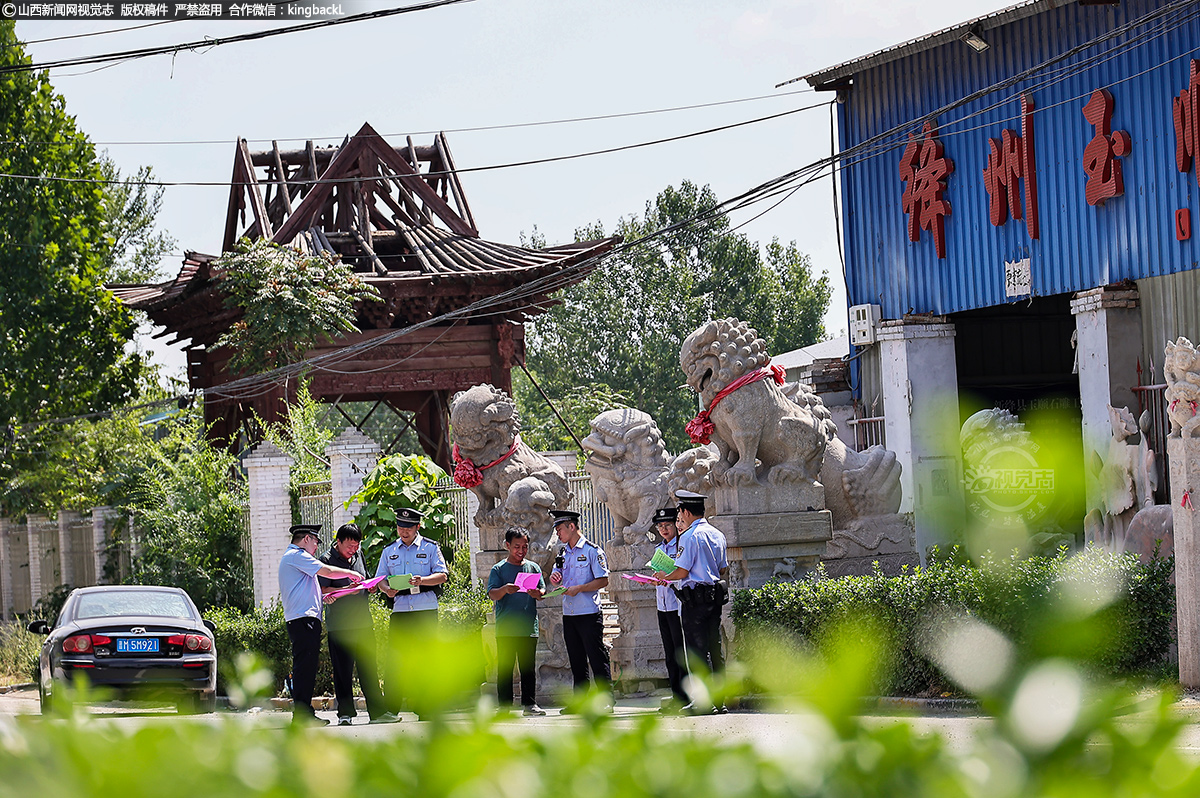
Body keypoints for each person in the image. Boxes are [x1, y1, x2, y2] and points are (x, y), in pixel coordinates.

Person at [278, 524, 363, 725]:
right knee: (304, 668)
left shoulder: (295, 558)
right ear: (306, 539)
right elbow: (327, 571)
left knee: (305, 667)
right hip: (303, 620)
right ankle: (302, 715)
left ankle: (303, 713)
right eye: (315, 541)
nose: (317, 546)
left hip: (303, 619)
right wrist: (351, 574)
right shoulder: (297, 555)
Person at [652, 490, 729, 712]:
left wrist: (663, 576)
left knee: (697, 651)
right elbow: (723, 568)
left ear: (685, 511)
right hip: (714, 598)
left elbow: (682, 570)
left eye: (679, 514)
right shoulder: (717, 535)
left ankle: (703, 702)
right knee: (715, 649)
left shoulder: (689, 536)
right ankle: (719, 701)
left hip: (694, 600)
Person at [319, 523, 399, 726]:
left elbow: (365, 578)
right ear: (338, 542)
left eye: (356, 546)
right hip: (340, 626)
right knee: (342, 672)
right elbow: (323, 590)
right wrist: (348, 589)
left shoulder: (359, 555)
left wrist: (368, 587)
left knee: (369, 669)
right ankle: (345, 714)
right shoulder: (326, 561)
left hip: (363, 622)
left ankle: (378, 713)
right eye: (349, 546)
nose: (353, 550)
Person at [375, 506, 448, 717]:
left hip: (425, 608)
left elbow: (442, 575)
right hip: (400, 610)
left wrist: (422, 580)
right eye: (400, 526)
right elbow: (381, 578)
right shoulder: (389, 551)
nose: (403, 531)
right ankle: (391, 708)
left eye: (408, 527)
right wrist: (386, 590)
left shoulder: (431, 547)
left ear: (417, 527)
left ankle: (426, 707)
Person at [548, 509, 612, 706]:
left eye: (560, 529)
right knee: (576, 661)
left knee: (597, 658)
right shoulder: (562, 552)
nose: (558, 534)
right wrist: (555, 579)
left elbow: (603, 580)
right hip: (569, 613)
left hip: (589, 614)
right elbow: (555, 577)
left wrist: (580, 588)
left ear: (572, 526)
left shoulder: (592, 551)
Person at [486, 526, 547, 716]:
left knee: (527, 668)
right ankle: (504, 707)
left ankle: (530, 705)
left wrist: (538, 593)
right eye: (516, 547)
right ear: (507, 545)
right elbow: (492, 594)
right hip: (506, 629)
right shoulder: (499, 569)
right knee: (505, 669)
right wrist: (505, 589)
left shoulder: (533, 567)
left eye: (524, 547)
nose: (521, 551)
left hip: (528, 627)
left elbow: (542, 591)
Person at [649, 507, 689, 708]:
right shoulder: (659, 549)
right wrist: (650, 580)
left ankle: (686, 697)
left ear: (676, 524)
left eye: (667, 525)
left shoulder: (682, 546)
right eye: (660, 526)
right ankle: (676, 696)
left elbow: (682, 573)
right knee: (670, 654)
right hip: (662, 606)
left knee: (681, 654)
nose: (663, 529)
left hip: (677, 605)